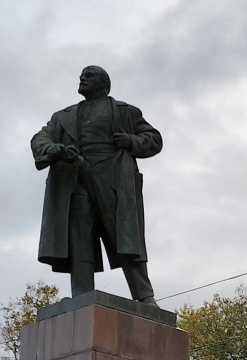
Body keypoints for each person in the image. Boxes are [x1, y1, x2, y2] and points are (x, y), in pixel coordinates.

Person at [30, 66, 162, 303]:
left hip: (112, 180)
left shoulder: (126, 112)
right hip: (77, 179)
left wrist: (131, 141)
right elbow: (40, 138)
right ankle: (82, 296)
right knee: (79, 239)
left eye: (89, 76)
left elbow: (154, 139)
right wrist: (54, 149)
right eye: (81, 75)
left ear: (103, 83)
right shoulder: (63, 116)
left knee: (124, 238)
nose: (82, 78)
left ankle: (145, 296)